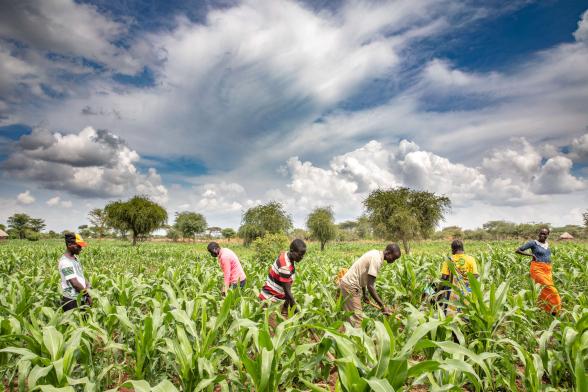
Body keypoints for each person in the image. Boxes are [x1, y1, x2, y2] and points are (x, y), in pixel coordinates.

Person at [338, 244, 401, 327]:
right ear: (388, 253)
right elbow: (370, 286)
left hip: (348, 284)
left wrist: (364, 294)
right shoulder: (376, 260)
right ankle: (355, 338)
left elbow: (363, 275)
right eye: (393, 258)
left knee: (350, 318)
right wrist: (382, 306)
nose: (393, 261)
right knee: (357, 320)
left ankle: (342, 336)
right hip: (350, 286)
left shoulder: (375, 253)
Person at [516, 228, 561, 315]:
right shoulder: (533, 243)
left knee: (544, 290)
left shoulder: (547, 244)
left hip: (547, 269)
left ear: (548, 235)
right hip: (537, 269)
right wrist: (531, 254)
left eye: (544, 234)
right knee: (551, 289)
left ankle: (546, 309)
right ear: (538, 234)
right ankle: (556, 309)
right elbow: (518, 250)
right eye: (541, 233)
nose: (542, 235)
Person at [259, 239, 307, 315]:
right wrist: (298, 314)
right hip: (271, 302)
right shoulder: (285, 267)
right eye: (300, 254)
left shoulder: (286, 254)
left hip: (279, 299)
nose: (302, 257)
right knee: (275, 326)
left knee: (286, 323)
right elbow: (288, 294)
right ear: (291, 251)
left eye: (303, 255)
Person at [440, 239, 479, 316]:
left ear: (453, 249)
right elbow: (475, 275)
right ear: (462, 248)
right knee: (466, 313)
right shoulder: (471, 259)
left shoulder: (448, 260)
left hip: (453, 292)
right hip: (467, 291)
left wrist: (439, 292)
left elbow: (444, 277)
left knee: (451, 314)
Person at [59, 232, 92, 311]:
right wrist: (87, 295)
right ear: (70, 245)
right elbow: (75, 283)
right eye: (78, 246)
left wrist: (88, 286)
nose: (81, 248)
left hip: (81, 297)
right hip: (72, 300)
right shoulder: (65, 262)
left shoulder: (74, 259)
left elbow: (80, 276)